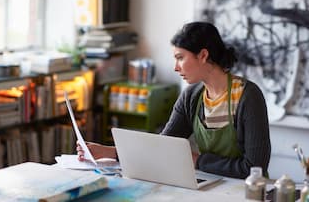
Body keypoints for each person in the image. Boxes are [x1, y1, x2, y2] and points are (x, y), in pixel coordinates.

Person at [77, 21, 271, 179]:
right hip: (210, 186)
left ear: (203, 55)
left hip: (246, 193)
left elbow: (254, 168)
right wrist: (109, 152)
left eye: (180, 58)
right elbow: (161, 148)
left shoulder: (248, 96)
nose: (176, 68)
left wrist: (197, 161)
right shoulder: (191, 96)